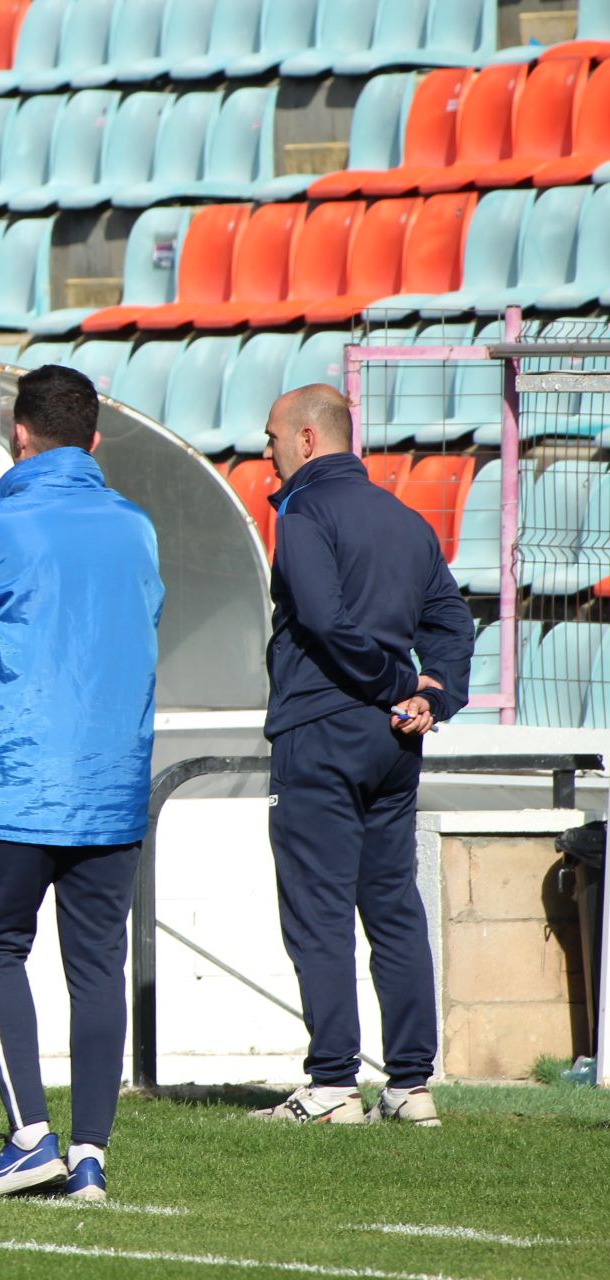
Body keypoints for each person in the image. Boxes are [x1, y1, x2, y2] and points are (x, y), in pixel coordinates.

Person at [0, 365, 164, 1203]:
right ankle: (90, 1156)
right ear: (93, 440)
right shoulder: (137, 528)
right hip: (111, 785)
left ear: (15, 431)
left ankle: (30, 1136)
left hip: (19, 782)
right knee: (96, 967)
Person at [248, 385, 473, 1127]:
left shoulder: (304, 511)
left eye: (274, 436)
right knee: (392, 904)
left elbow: (321, 619)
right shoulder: (407, 521)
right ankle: (411, 1085)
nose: (265, 451)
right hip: (393, 742)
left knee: (317, 908)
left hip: (322, 728)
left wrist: (400, 684)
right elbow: (451, 618)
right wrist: (431, 697)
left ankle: (331, 1085)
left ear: (309, 440)